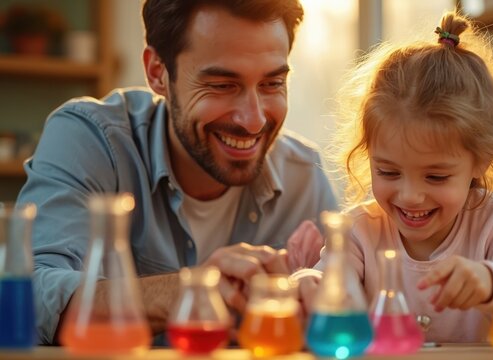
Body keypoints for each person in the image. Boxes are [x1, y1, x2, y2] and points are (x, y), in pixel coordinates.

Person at [17, 0, 338, 345]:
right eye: (221, 85)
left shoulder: (305, 177)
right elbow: (29, 293)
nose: (254, 120)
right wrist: (188, 291)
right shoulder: (92, 139)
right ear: (157, 72)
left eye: (272, 84)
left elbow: (351, 309)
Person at [304, 11, 493, 342]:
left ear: (481, 161)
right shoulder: (359, 233)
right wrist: (302, 284)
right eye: (388, 172)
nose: (409, 195)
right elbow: (321, 287)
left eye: (435, 177)